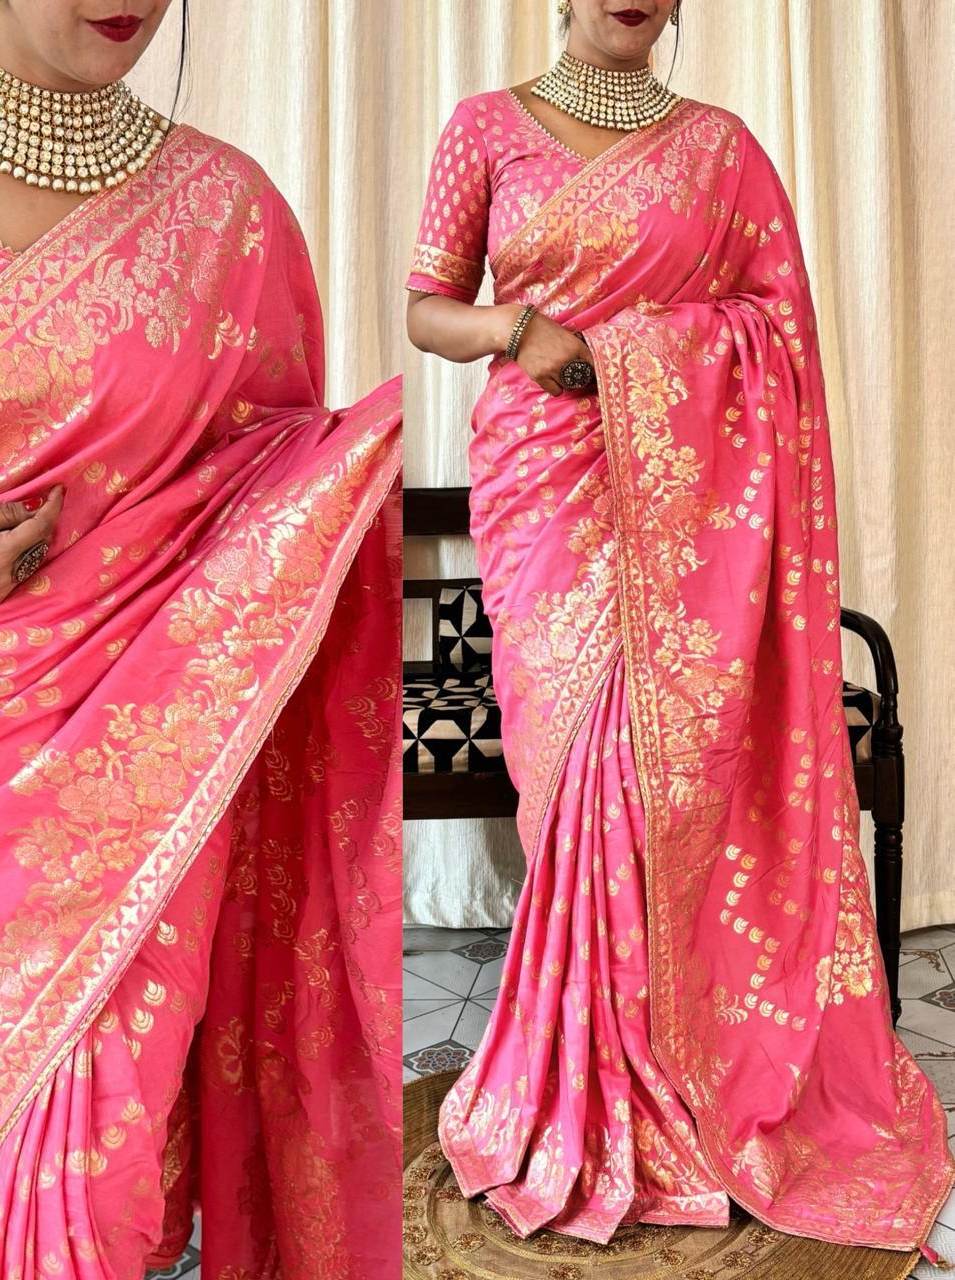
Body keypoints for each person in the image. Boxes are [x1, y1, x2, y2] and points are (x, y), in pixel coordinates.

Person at [0, 1, 402, 1275]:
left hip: (151, 742)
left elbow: (270, 482)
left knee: (104, 1154)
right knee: (2, 1126)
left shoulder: (230, 208)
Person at [405, 0, 953, 1266]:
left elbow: (780, 335)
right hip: (545, 491)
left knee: (661, 793)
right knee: (583, 787)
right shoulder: (484, 129)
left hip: (688, 515)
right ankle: (580, 1081)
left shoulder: (723, 150)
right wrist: (518, 332)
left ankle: (679, 1069)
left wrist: (642, 355)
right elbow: (431, 307)